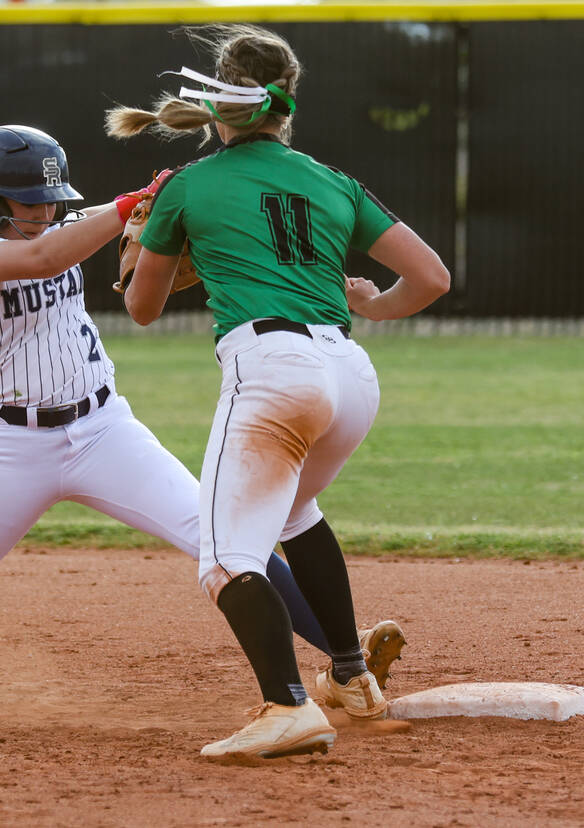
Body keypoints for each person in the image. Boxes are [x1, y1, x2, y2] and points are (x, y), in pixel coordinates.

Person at [0, 124, 364, 702]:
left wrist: (155, 208)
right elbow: (44, 258)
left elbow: (86, 228)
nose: (46, 212)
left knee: (226, 542)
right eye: (29, 202)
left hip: (105, 431)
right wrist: (130, 203)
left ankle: (346, 659)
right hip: (10, 450)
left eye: (52, 201)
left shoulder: (62, 223)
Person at [105, 25, 449, 759]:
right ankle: (352, 679)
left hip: (273, 368)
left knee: (226, 560)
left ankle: (286, 705)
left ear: (220, 103)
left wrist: (140, 237)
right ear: (284, 105)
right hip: (350, 374)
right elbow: (431, 279)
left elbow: (140, 306)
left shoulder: (189, 185)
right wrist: (372, 303)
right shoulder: (331, 180)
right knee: (294, 510)